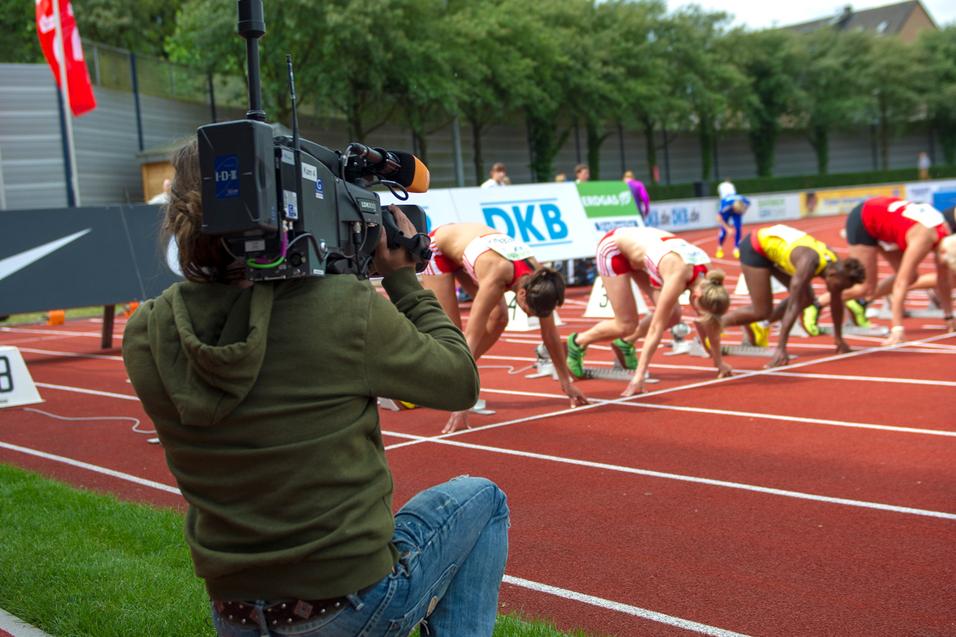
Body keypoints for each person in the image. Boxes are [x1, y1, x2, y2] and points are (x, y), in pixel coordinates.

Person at [123, 140, 509, 637]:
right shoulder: (340, 306)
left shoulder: (149, 329)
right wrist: (403, 279)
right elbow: (460, 380)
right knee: (481, 497)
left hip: (234, 612)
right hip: (346, 604)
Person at [421, 223, 588, 432]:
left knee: (499, 318)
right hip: (439, 250)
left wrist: (566, 381)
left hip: (470, 251)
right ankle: (442, 377)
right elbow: (471, 336)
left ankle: (449, 373)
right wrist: (464, 400)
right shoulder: (496, 276)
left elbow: (550, 335)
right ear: (522, 295)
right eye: (531, 312)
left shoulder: (541, 281)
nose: (531, 316)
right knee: (451, 334)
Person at [566, 227, 732, 397]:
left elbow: (711, 322)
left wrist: (719, 362)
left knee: (674, 315)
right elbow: (655, 329)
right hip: (614, 250)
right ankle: (577, 343)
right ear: (696, 295)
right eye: (699, 310)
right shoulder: (678, 276)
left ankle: (625, 343)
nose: (697, 312)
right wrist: (638, 377)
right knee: (626, 324)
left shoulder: (710, 280)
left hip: (642, 256)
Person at [809, 197, 954, 345]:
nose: (942, 266)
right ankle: (815, 304)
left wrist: (949, 317)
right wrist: (897, 329)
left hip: (886, 221)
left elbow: (943, 281)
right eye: (944, 263)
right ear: (942, 253)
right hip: (864, 220)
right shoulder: (924, 240)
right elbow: (900, 284)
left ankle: (860, 302)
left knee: (912, 277)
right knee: (865, 287)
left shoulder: (947, 239)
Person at [723, 224, 866, 368]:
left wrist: (839, 338)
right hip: (755, 248)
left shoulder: (836, 266)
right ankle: (714, 324)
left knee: (807, 299)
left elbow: (836, 301)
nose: (838, 290)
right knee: (761, 311)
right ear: (833, 275)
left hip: (777, 252)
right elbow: (793, 305)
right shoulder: (808, 263)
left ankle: (758, 325)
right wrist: (781, 348)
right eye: (840, 287)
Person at [716, 191, 750, 259]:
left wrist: (743, 211)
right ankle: (719, 248)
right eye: (738, 211)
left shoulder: (745, 201)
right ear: (734, 209)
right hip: (728, 210)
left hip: (737, 207)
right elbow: (718, 218)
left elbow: (747, 205)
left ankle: (736, 248)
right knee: (724, 231)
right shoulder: (725, 206)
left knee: (738, 227)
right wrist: (727, 228)